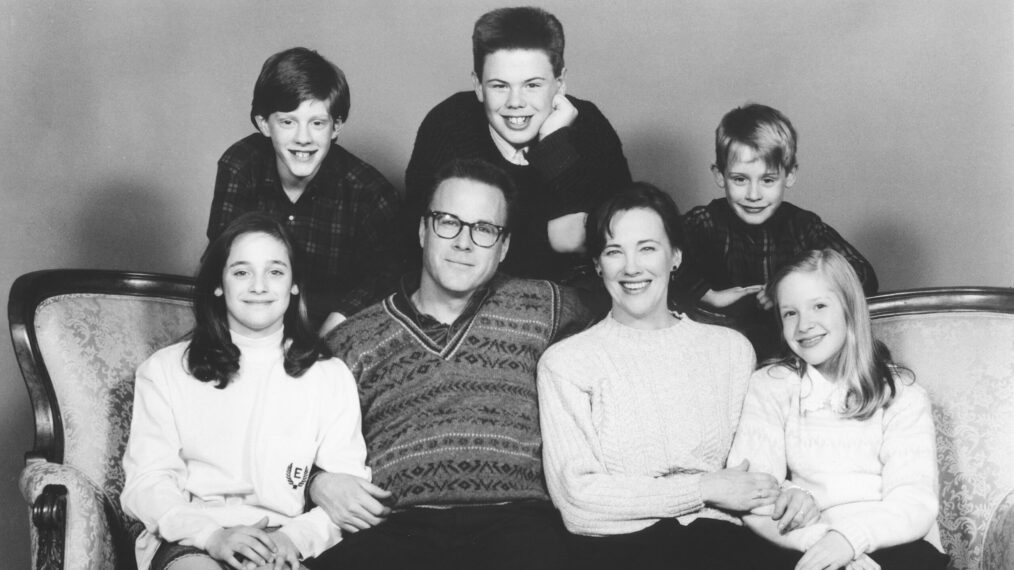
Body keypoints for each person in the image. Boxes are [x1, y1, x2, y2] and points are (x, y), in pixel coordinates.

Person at [306, 158, 592, 570]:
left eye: (484, 229)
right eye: (448, 222)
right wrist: (318, 483)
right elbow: (287, 444)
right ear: (423, 230)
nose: (464, 242)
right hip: (398, 527)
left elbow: (629, 285)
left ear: (504, 247)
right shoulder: (353, 340)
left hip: (516, 523)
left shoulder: (545, 306)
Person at [537, 182, 816, 570]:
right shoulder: (566, 363)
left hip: (725, 546)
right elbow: (578, 501)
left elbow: (750, 474)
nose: (631, 267)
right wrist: (704, 488)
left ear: (676, 257)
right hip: (618, 554)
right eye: (614, 251)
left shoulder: (730, 351)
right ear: (598, 264)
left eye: (647, 248)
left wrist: (792, 493)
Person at [122, 212, 370, 570]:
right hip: (194, 539)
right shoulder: (165, 369)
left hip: (283, 541)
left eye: (275, 272)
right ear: (219, 284)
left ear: (294, 284)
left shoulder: (328, 376)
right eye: (241, 272)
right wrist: (212, 535)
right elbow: (146, 483)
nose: (259, 286)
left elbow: (347, 495)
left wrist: (293, 539)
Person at [728, 249, 948, 570]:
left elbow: (914, 502)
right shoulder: (771, 385)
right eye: (790, 313)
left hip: (893, 538)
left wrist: (849, 541)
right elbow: (755, 493)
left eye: (819, 306)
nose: (804, 325)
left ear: (849, 308)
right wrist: (821, 543)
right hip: (804, 539)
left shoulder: (903, 394)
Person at [404, 6, 631, 303]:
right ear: (478, 86)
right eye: (499, 86)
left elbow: (611, 238)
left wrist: (554, 145)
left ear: (560, 83)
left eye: (533, 85)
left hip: (573, 299)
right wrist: (548, 237)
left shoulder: (590, 128)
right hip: (472, 297)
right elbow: (425, 241)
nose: (515, 103)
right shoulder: (447, 127)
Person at [207, 47, 402, 332]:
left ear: (335, 127)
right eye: (287, 122)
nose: (303, 138)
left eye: (317, 123)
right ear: (264, 124)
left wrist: (336, 324)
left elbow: (387, 278)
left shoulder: (370, 193)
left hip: (333, 332)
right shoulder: (241, 167)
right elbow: (221, 260)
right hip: (248, 324)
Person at [672, 103, 877, 357]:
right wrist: (709, 295)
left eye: (767, 180)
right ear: (719, 175)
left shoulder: (801, 226)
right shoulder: (704, 222)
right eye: (740, 179)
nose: (753, 194)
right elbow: (653, 258)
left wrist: (787, 286)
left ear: (789, 175)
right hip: (715, 358)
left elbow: (863, 275)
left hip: (791, 361)